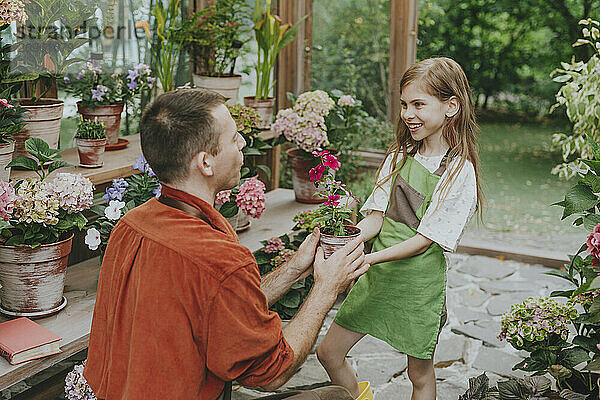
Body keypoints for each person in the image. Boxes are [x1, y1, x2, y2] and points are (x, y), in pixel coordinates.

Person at [83, 88, 370, 400]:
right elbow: (271, 372)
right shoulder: (218, 259)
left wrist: (294, 269)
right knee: (337, 397)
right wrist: (326, 287)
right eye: (234, 138)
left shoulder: (131, 225)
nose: (244, 143)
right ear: (206, 163)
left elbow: (220, 306)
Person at [317, 57, 483, 400]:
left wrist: (367, 260)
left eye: (419, 104)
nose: (408, 114)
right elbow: (376, 218)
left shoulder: (459, 172)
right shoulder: (397, 157)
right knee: (328, 353)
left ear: (451, 106)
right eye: (405, 104)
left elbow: (424, 241)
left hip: (418, 287)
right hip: (377, 278)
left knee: (419, 375)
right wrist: (343, 242)